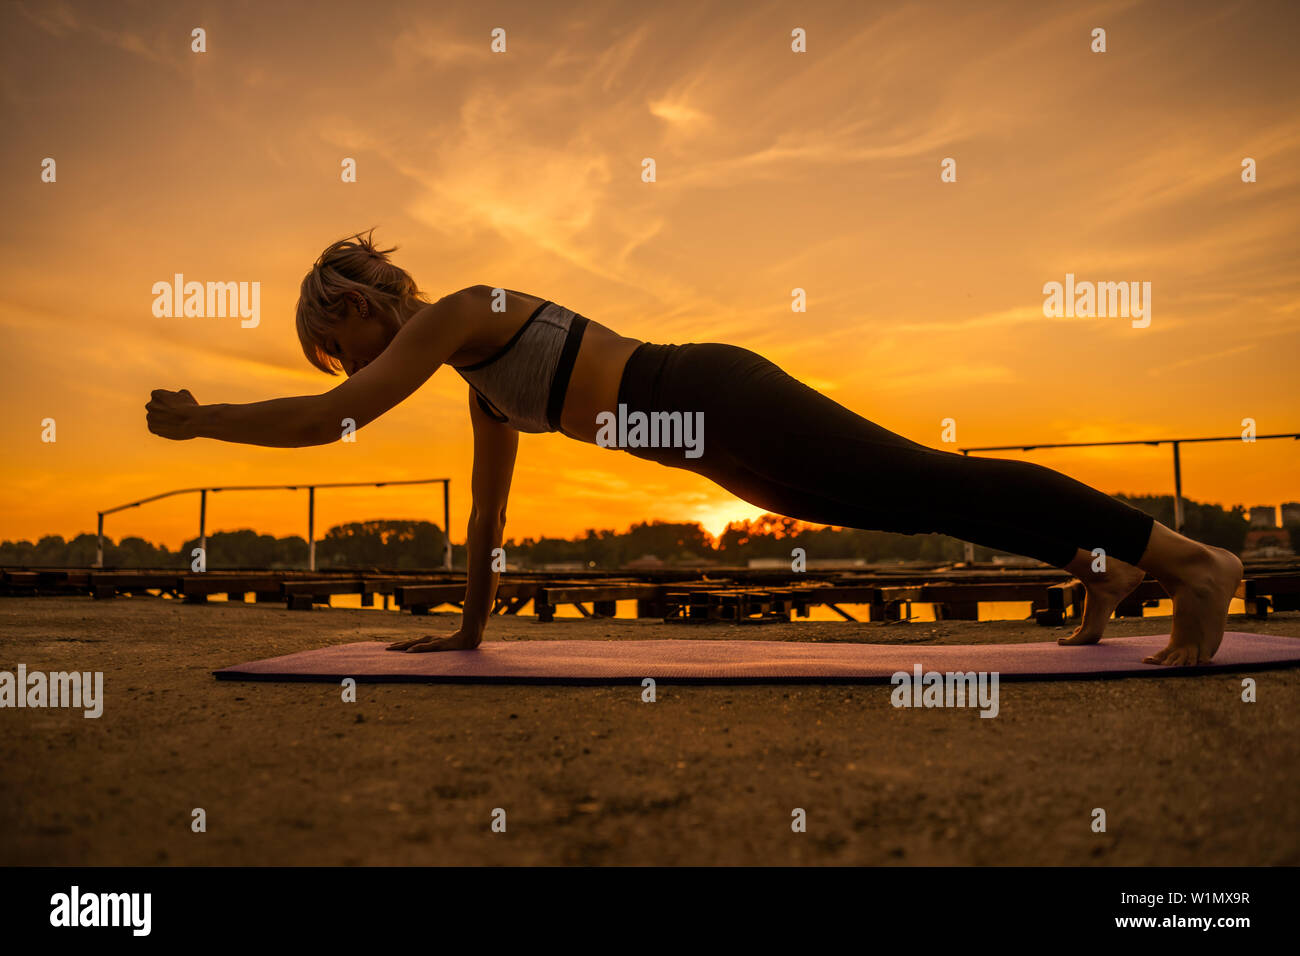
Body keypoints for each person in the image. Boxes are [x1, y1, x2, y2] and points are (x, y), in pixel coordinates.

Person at [146, 231, 1242, 664]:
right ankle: (1103, 569)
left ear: (357, 302)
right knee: (909, 501)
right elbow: (486, 519)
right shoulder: (481, 385)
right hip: (715, 449)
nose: (335, 364)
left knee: (922, 476)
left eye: (328, 341)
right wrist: (467, 632)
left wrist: (204, 421)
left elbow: (339, 420)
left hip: (710, 391)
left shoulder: (457, 311)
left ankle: (1191, 562)